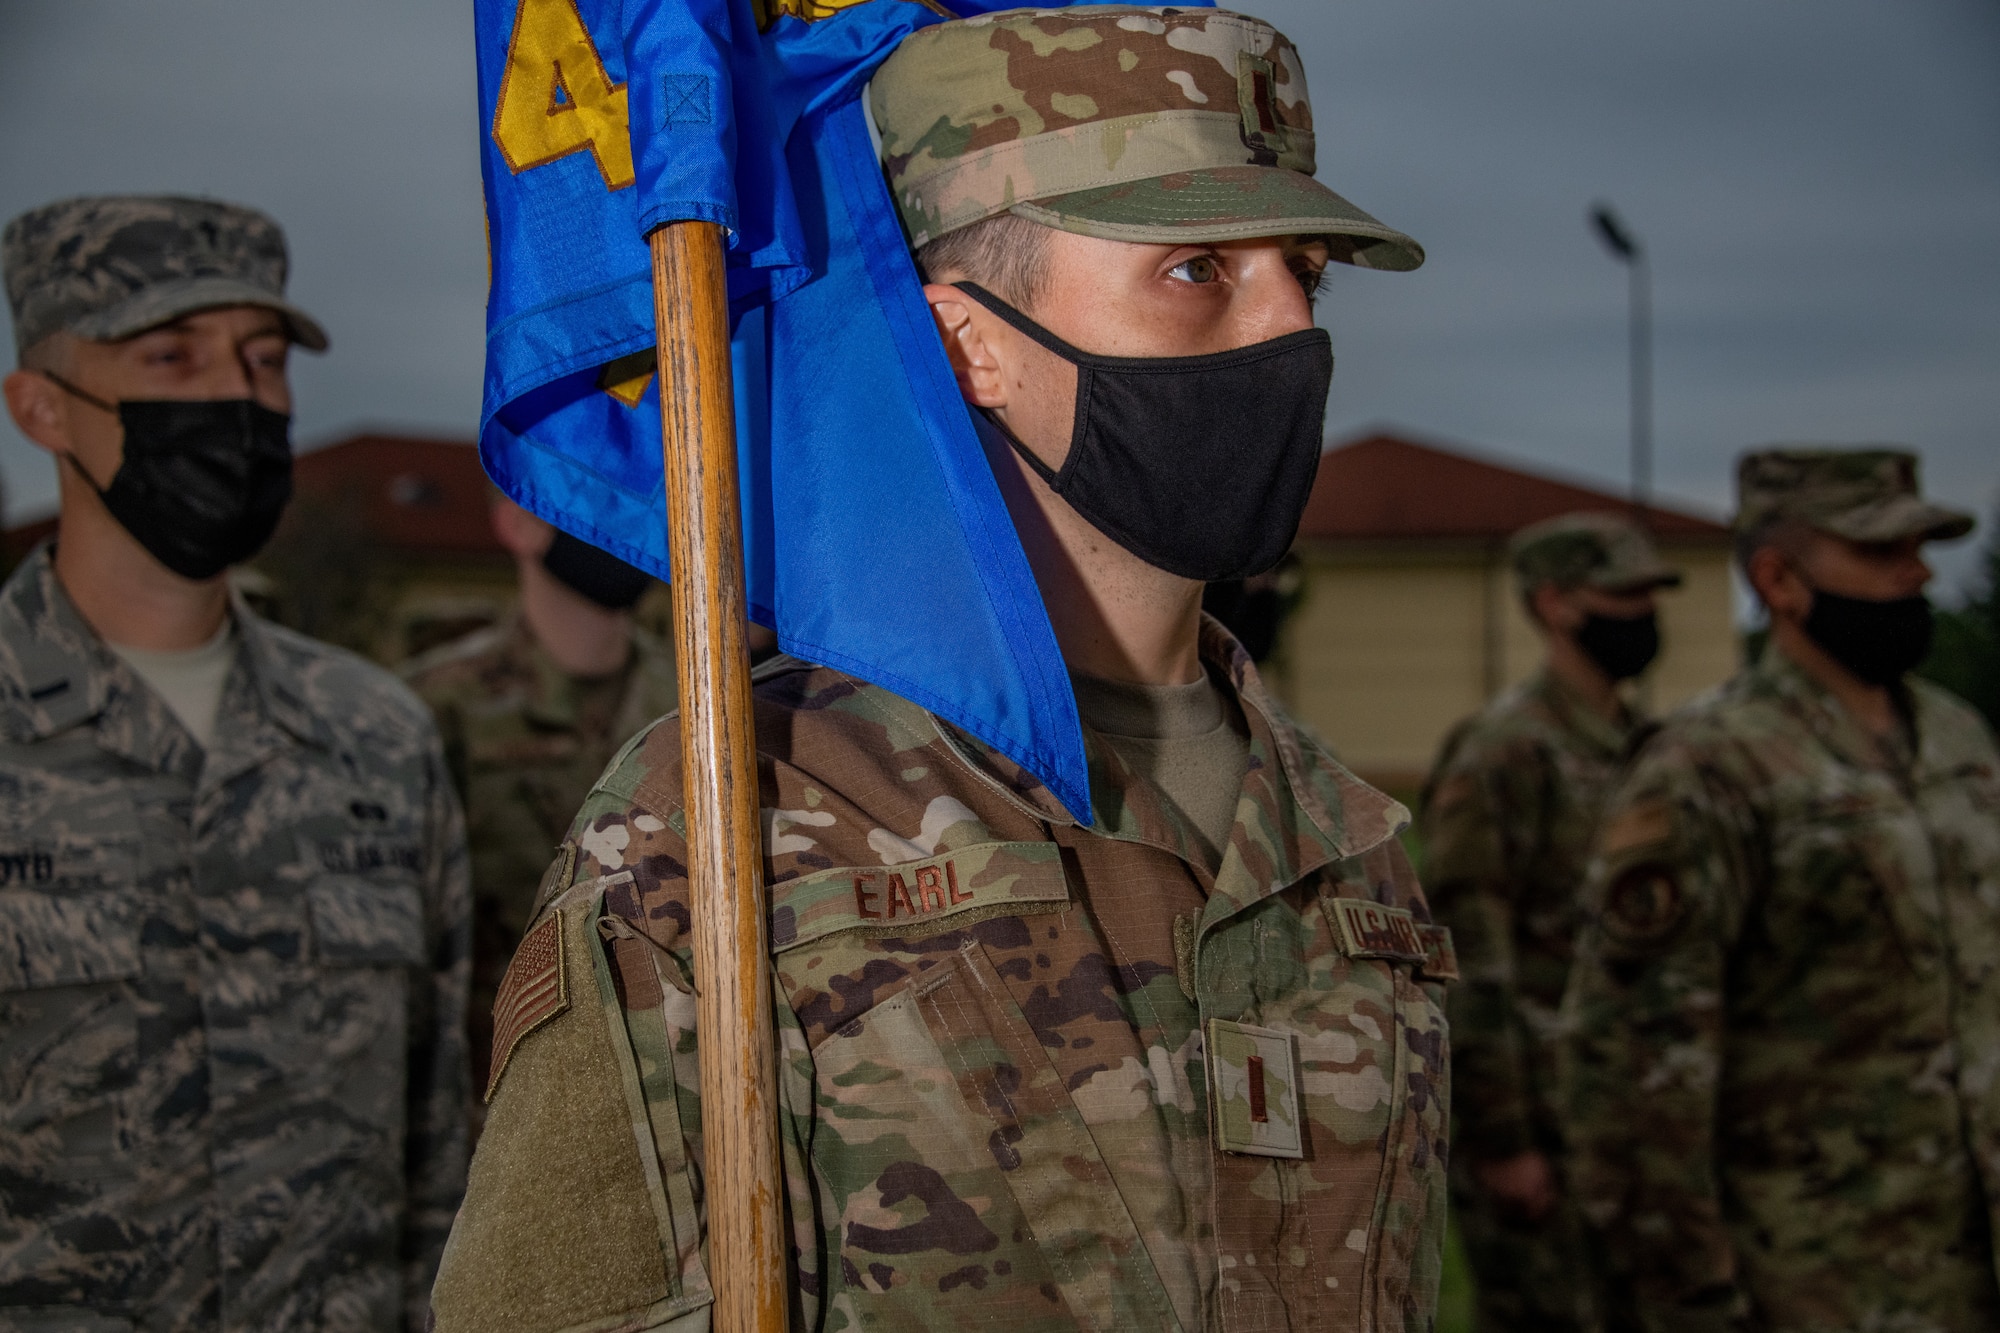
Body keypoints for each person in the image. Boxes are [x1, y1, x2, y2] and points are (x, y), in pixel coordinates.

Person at [430, 9, 1454, 1331]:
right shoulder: (736, 827)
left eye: (1307, 271)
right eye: (1199, 269)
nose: (1290, 330)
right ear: (970, 343)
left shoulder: (1345, 831)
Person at [0, 196, 471, 1331]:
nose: (239, 399)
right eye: (172, 356)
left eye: (263, 362)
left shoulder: (378, 734)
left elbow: (438, 1138)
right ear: (42, 408)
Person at [1561, 448, 2000, 1330]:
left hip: (1967, 1258)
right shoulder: (1707, 768)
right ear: (1779, 579)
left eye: (1920, 548)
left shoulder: (1959, 737)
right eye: (1881, 553)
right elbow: (1633, 1062)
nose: (1916, 573)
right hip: (1807, 1273)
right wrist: (1686, 1290)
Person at [1420, 511, 1681, 1333]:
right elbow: (1468, 950)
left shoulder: (1645, 745)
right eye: (1625, 593)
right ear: (1558, 604)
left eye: (1650, 593)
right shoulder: (1506, 752)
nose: (1645, 611)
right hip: (1542, 1122)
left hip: (1629, 1114)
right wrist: (1504, 1138)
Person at [402, 496, 675, 1117]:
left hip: (671, 1104)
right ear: (517, 518)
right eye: (590, 483)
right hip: (493, 1105)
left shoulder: (703, 702)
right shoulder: (430, 711)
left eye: (637, 484)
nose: (625, 503)